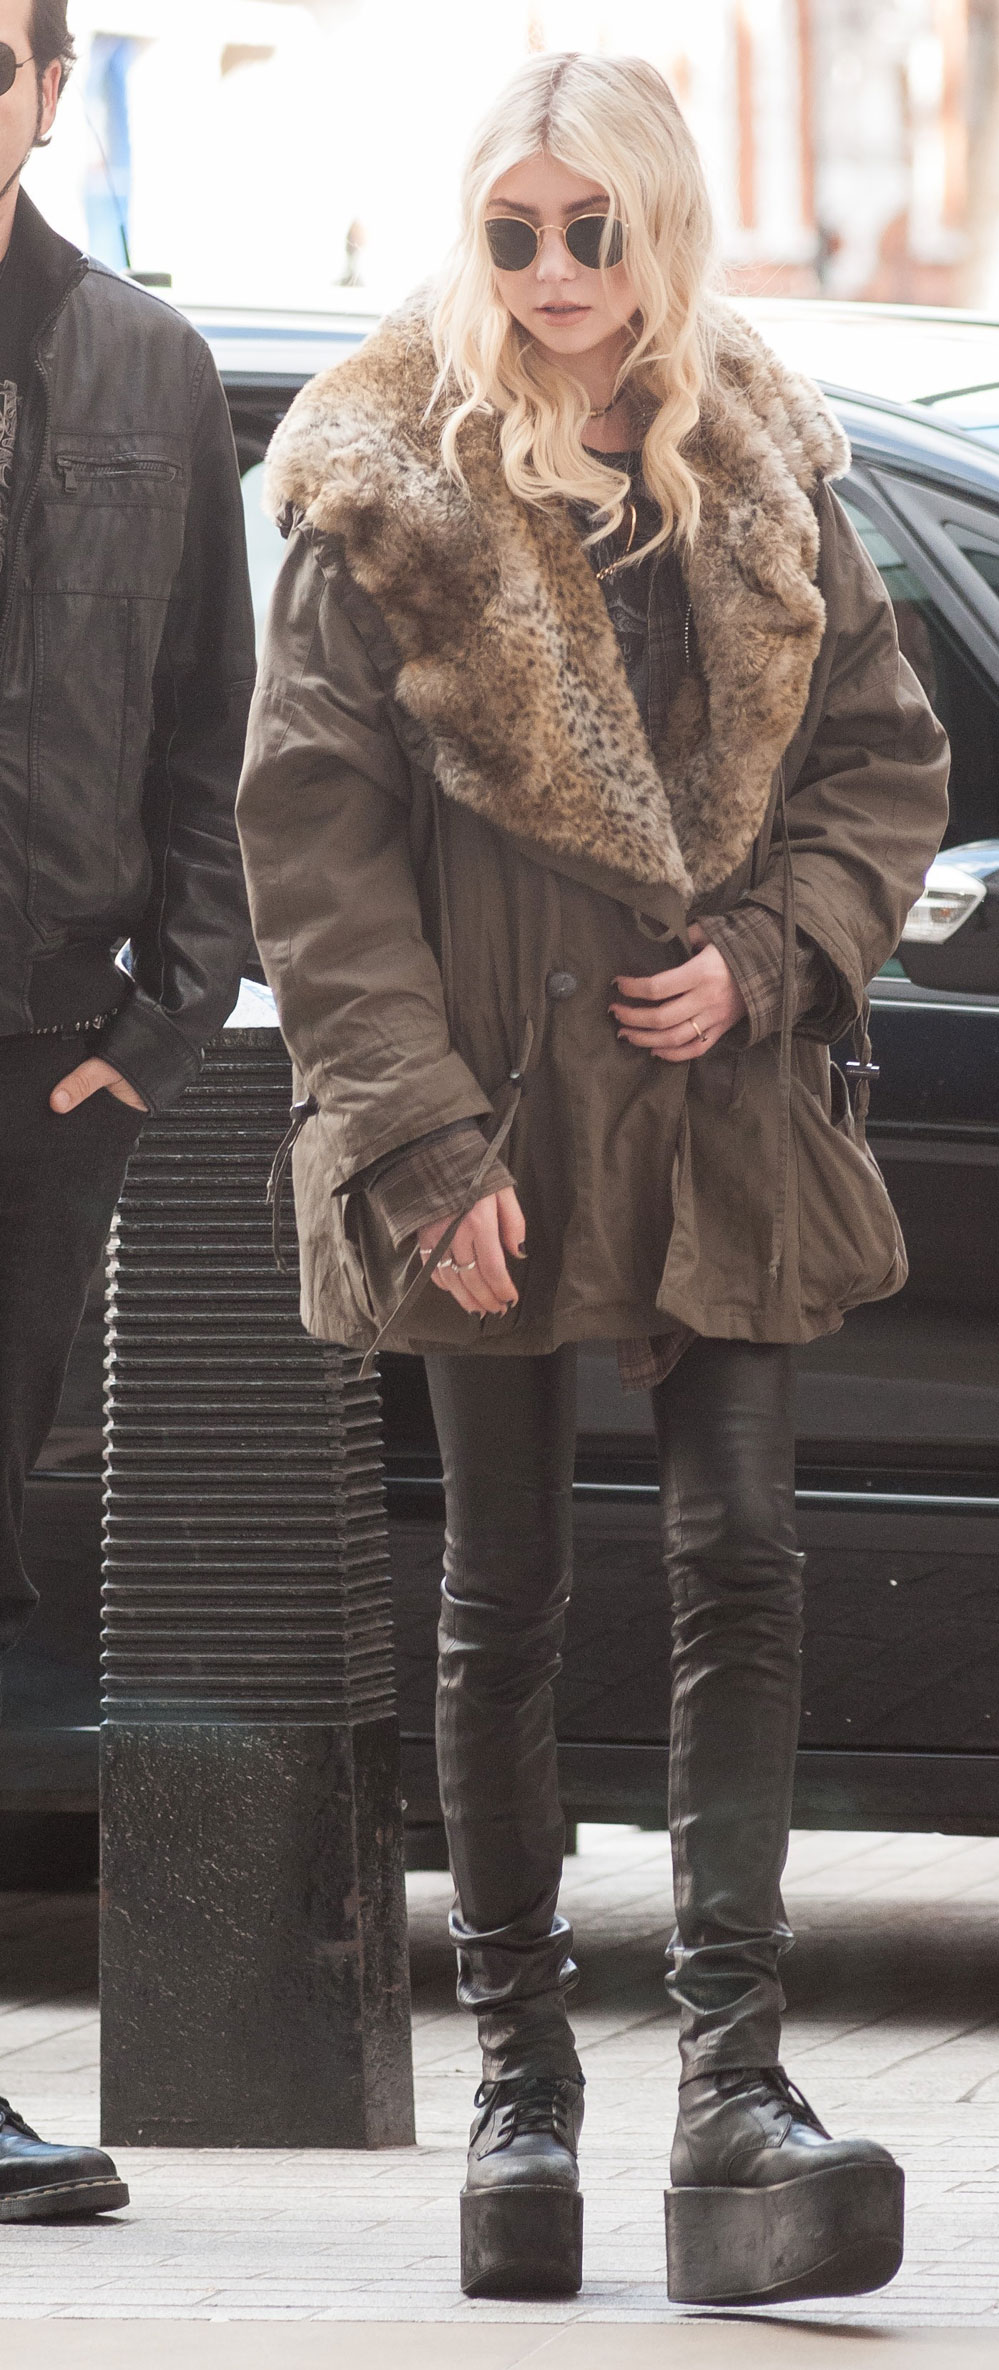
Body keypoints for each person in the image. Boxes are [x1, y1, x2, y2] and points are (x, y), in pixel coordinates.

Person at [237, 50, 949, 2307]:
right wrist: (422, 1140)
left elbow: (883, 763)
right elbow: (311, 848)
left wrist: (771, 955)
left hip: (717, 1111)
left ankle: (735, 2085)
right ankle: (521, 2099)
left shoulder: (763, 456)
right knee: (509, 1593)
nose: (552, 271)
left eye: (592, 229)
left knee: (746, 1556)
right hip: (502, 1123)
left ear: (660, 226)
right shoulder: (388, 479)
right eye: (515, 232)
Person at [0, 0, 255, 2220]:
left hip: (31, 1075)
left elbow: (211, 734)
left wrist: (156, 1034)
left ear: (45, 86)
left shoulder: (147, 371)